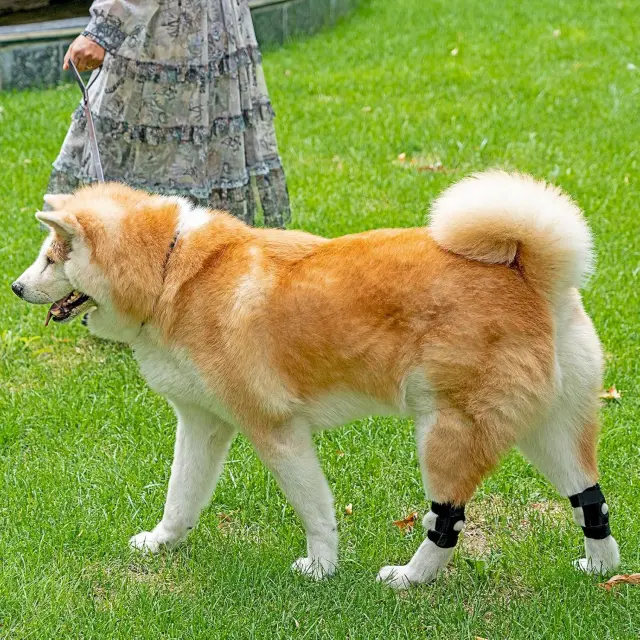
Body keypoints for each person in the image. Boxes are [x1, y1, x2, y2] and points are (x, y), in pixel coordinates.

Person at [48, 0, 291, 227]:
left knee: (150, 174)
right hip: (209, 23)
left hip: (172, 31)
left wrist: (103, 29)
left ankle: (145, 245)